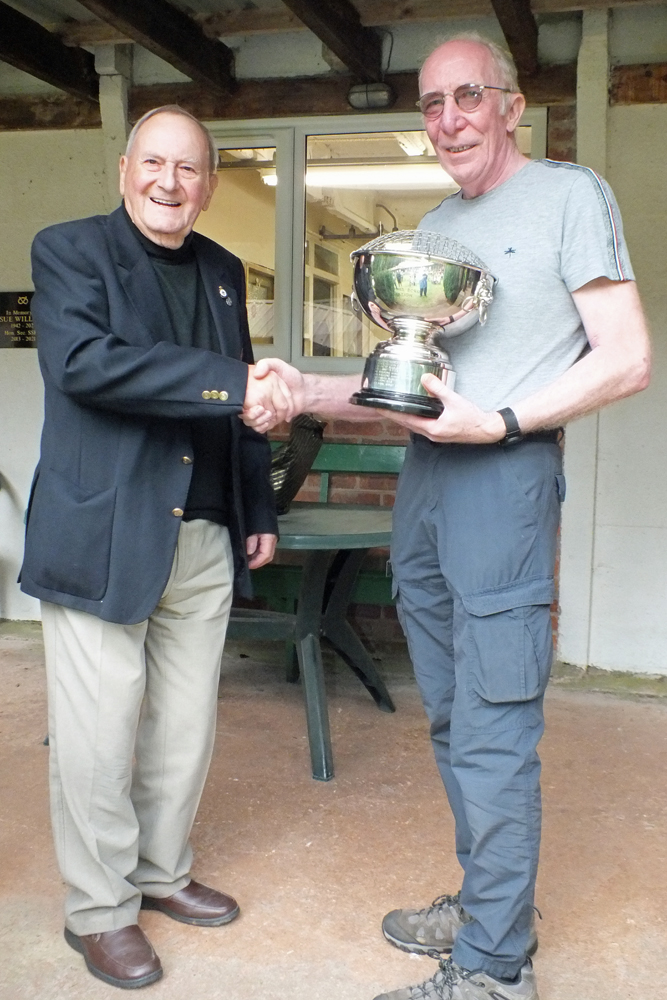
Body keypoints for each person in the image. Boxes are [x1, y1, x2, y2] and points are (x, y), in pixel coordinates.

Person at [244, 34, 651, 1000]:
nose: (449, 119)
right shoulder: (433, 231)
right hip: (428, 482)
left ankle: (494, 970)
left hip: (501, 482)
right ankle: (488, 904)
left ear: (509, 105)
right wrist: (303, 389)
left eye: (468, 96)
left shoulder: (568, 195)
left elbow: (626, 356)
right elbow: (408, 389)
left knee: (494, 727)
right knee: (452, 718)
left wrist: (502, 419)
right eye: (430, 104)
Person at [20, 105, 294, 990]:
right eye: (155, 164)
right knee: (99, 736)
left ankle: (159, 875)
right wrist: (231, 383)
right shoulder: (69, 251)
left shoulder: (219, 269)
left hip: (205, 526)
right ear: (125, 168)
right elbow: (87, 365)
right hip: (103, 529)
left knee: (184, 725)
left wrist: (256, 503)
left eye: (188, 169)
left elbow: (241, 401)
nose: (170, 183)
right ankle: (98, 912)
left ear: (208, 186)